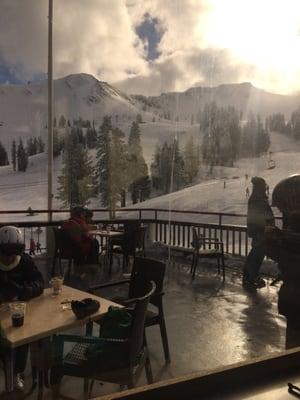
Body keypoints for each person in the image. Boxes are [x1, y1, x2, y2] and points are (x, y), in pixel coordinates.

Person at [0, 226, 44, 390]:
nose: (10, 258)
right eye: (6, 253)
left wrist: (30, 289)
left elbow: (40, 281)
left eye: (14, 254)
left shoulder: (24, 260)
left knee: (22, 335)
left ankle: (16, 371)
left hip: (18, 312)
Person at [265, 175, 300, 348]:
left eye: (284, 210)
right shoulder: (292, 227)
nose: (283, 215)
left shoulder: (293, 226)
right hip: (293, 298)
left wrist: (276, 243)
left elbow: (291, 257)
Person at [242, 177, 274, 291]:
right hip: (260, 231)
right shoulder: (257, 198)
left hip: (260, 231)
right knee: (256, 254)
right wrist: (265, 227)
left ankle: (250, 276)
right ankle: (250, 277)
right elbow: (260, 216)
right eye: (264, 186)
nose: (265, 188)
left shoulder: (257, 198)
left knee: (256, 254)